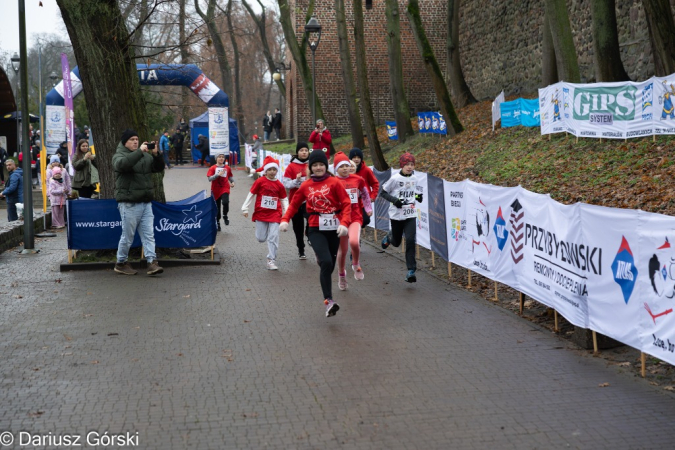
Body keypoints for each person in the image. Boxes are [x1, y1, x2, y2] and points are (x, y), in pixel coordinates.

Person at [280, 150, 351, 318]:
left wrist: (344, 223)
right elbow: (294, 204)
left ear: (326, 166)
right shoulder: (306, 185)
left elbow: (347, 203)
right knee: (326, 262)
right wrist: (284, 219)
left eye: (321, 165)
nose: (318, 168)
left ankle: (322, 258)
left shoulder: (334, 182)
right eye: (315, 165)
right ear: (310, 167)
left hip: (334, 229)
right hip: (315, 228)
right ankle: (329, 301)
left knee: (330, 264)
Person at [112, 129, 165, 276]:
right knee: (128, 236)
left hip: (145, 202)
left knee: (149, 234)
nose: (135, 141)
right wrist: (140, 152)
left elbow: (158, 168)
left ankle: (152, 262)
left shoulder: (144, 156)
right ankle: (121, 263)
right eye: (132, 139)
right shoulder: (119, 155)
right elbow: (122, 165)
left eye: (137, 139)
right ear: (125, 142)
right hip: (129, 203)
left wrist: (156, 155)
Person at [379, 153, 423, 283]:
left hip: (410, 214)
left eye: (412, 164)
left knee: (410, 240)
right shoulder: (395, 178)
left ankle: (411, 271)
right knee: (396, 242)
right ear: (402, 165)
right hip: (397, 215)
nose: (409, 167)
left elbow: (414, 195)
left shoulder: (415, 179)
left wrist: (417, 197)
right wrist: (394, 200)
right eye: (407, 165)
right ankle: (389, 237)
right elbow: (383, 192)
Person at [333, 152, 373, 290]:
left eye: (346, 165)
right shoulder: (333, 182)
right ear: (335, 168)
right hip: (339, 219)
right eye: (341, 166)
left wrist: (368, 208)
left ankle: (355, 263)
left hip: (355, 216)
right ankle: (341, 275)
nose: (345, 168)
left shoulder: (358, 179)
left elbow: (365, 194)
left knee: (354, 242)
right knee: (342, 251)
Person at [241, 155, 288, 271]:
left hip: (275, 214)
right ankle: (266, 235)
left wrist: (286, 215)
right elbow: (251, 194)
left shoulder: (279, 185)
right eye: (270, 169)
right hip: (261, 213)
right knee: (261, 238)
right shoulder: (260, 181)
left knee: (273, 237)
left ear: (277, 170)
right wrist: (245, 208)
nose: (272, 172)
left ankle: (271, 260)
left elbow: (284, 199)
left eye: (274, 169)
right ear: (265, 170)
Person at [282, 142, 310, 259]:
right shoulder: (291, 166)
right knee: (298, 227)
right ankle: (301, 249)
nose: (304, 152)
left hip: (309, 199)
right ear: (297, 152)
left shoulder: (313, 164)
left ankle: (308, 233)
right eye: (301, 150)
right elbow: (286, 184)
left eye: (306, 150)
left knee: (311, 217)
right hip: (296, 200)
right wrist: (297, 181)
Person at [349, 147, 379, 227]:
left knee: (365, 220)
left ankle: (355, 231)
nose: (356, 159)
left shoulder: (366, 170)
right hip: (351, 202)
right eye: (354, 157)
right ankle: (354, 235)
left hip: (364, 201)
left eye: (358, 157)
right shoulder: (346, 171)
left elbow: (375, 183)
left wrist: (373, 196)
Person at [207, 153, 234, 230]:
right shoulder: (212, 168)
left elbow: (230, 176)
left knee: (225, 202)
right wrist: (217, 175)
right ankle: (217, 222)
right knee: (217, 207)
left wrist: (232, 182)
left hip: (225, 187)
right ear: (216, 159)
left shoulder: (227, 167)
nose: (221, 158)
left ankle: (225, 215)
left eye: (223, 157)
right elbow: (209, 179)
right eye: (219, 157)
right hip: (215, 189)